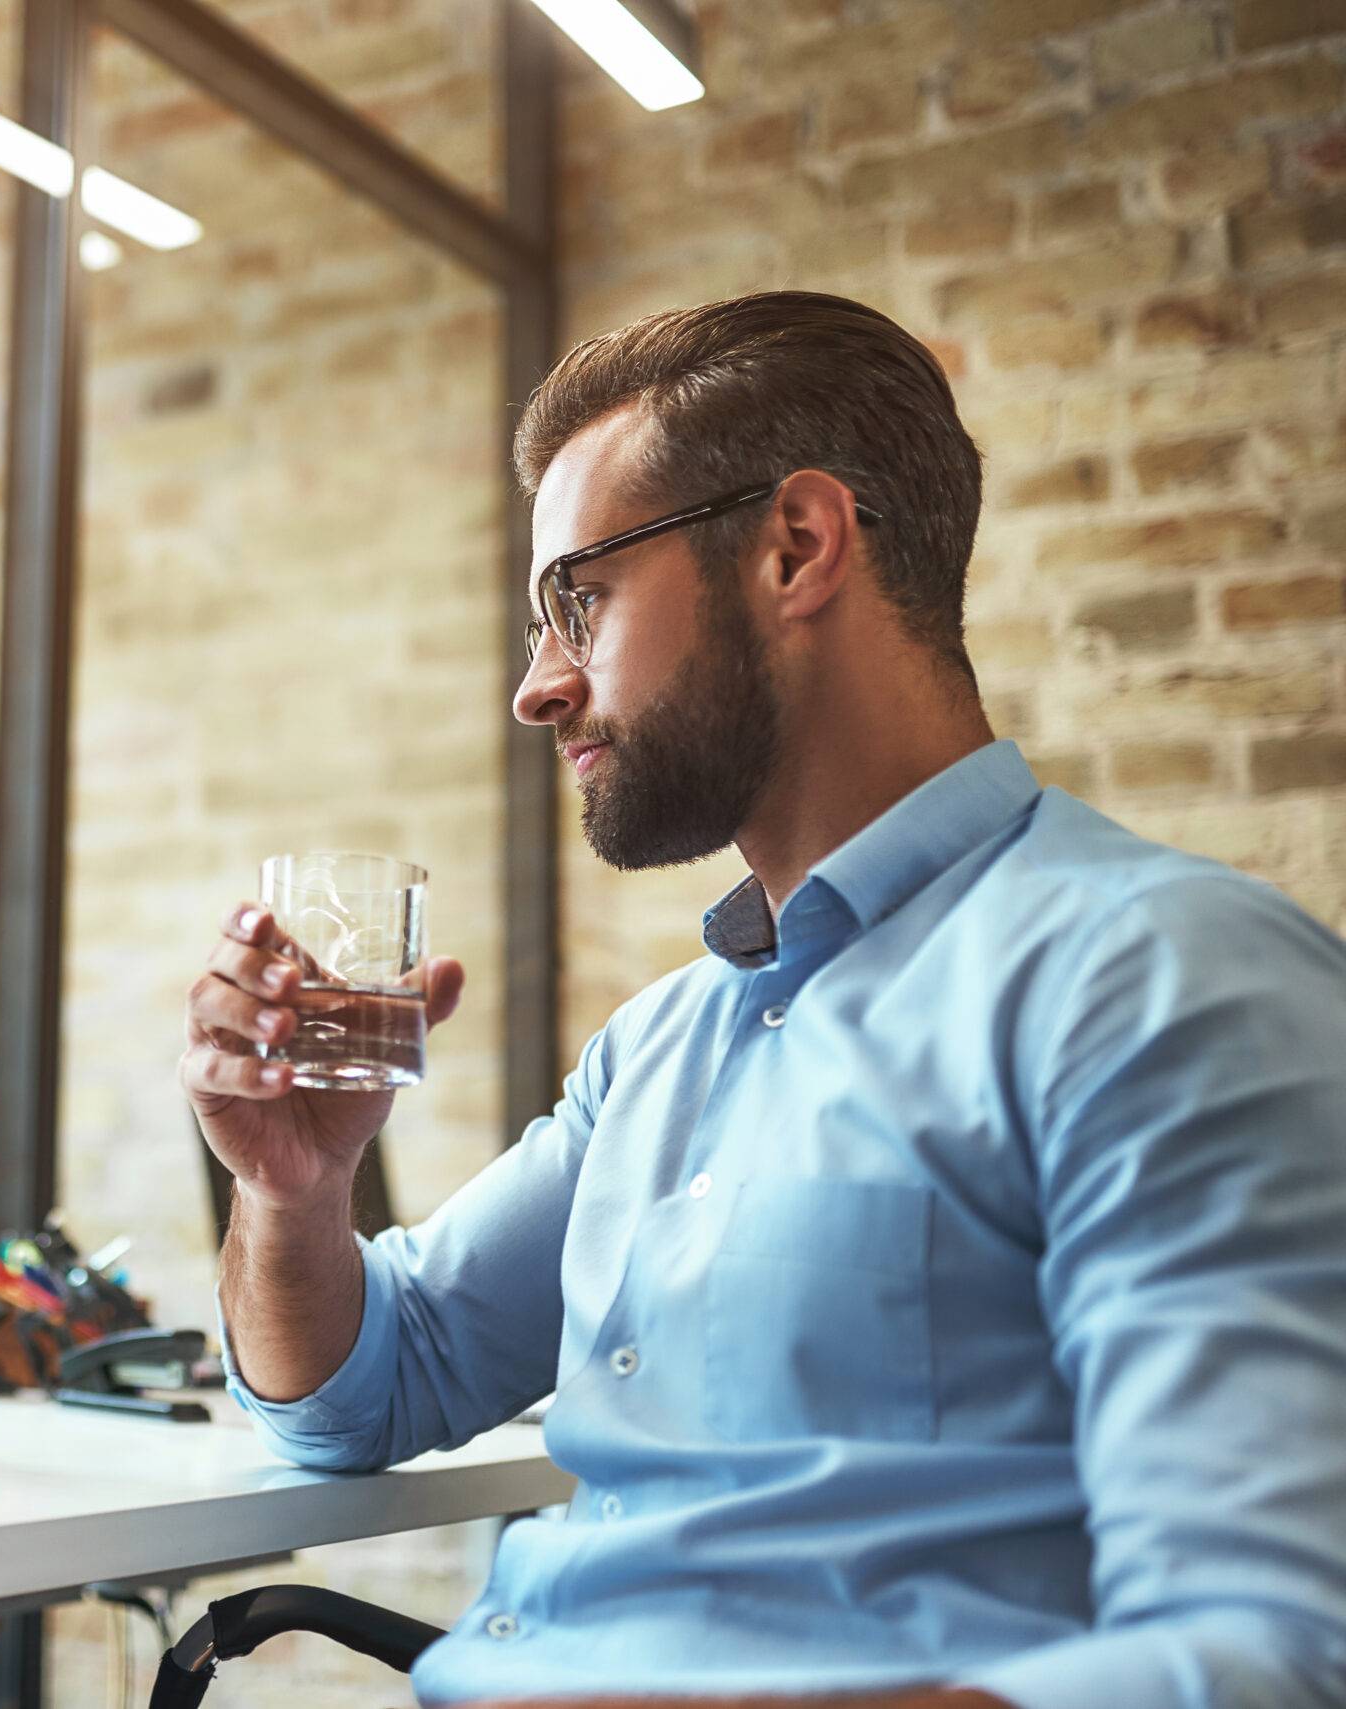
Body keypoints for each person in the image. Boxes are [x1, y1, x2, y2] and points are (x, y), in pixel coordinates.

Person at [184, 291, 1346, 1709]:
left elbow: (1274, 1652)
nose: (538, 687)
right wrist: (296, 1193)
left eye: (579, 599)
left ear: (796, 547)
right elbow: (365, 1389)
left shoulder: (1160, 979)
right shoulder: (660, 1048)